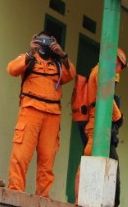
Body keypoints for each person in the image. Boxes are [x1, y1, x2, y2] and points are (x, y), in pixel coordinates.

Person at [6, 32, 76, 197]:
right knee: (21, 155)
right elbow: (12, 69)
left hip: (52, 116)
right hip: (30, 112)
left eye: (48, 42)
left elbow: (70, 75)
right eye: (41, 41)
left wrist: (62, 54)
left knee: (47, 160)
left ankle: (43, 197)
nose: (44, 45)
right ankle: (15, 192)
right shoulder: (28, 59)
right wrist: (30, 52)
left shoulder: (58, 64)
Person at [75, 48, 128, 207]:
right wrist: (118, 116)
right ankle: (86, 202)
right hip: (96, 126)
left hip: (97, 124)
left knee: (90, 162)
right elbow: (105, 95)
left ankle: (85, 201)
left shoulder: (98, 71)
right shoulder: (101, 71)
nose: (118, 70)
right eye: (119, 66)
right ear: (115, 60)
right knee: (91, 163)